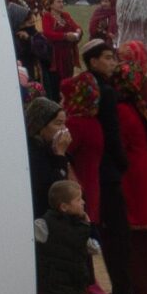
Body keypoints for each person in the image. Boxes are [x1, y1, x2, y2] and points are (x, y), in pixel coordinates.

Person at [89, 40, 147, 294]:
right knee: (120, 236)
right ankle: (123, 291)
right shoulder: (121, 103)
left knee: (122, 235)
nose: (113, 62)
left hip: (130, 174)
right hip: (125, 176)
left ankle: (125, 289)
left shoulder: (122, 101)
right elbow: (114, 140)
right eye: (109, 57)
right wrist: (122, 165)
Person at [59, 73, 107, 226]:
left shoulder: (75, 124)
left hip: (77, 188)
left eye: (63, 98)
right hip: (92, 186)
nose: (61, 103)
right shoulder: (94, 123)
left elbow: (62, 153)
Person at [24, 96, 72, 218]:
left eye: (64, 124)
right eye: (58, 124)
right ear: (40, 126)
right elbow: (53, 190)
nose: (63, 130)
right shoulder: (33, 153)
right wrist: (60, 155)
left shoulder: (50, 149)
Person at [37, 0, 81, 102]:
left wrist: (78, 31)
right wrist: (65, 36)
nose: (62, 4)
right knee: (57, 81)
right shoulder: (47, 17)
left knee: (68, 78)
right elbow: (48, 33)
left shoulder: (65, 15)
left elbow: (76, 26)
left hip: (67, 54)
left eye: (62, 1)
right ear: (50, 4)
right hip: (55, 55)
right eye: (58, 2)